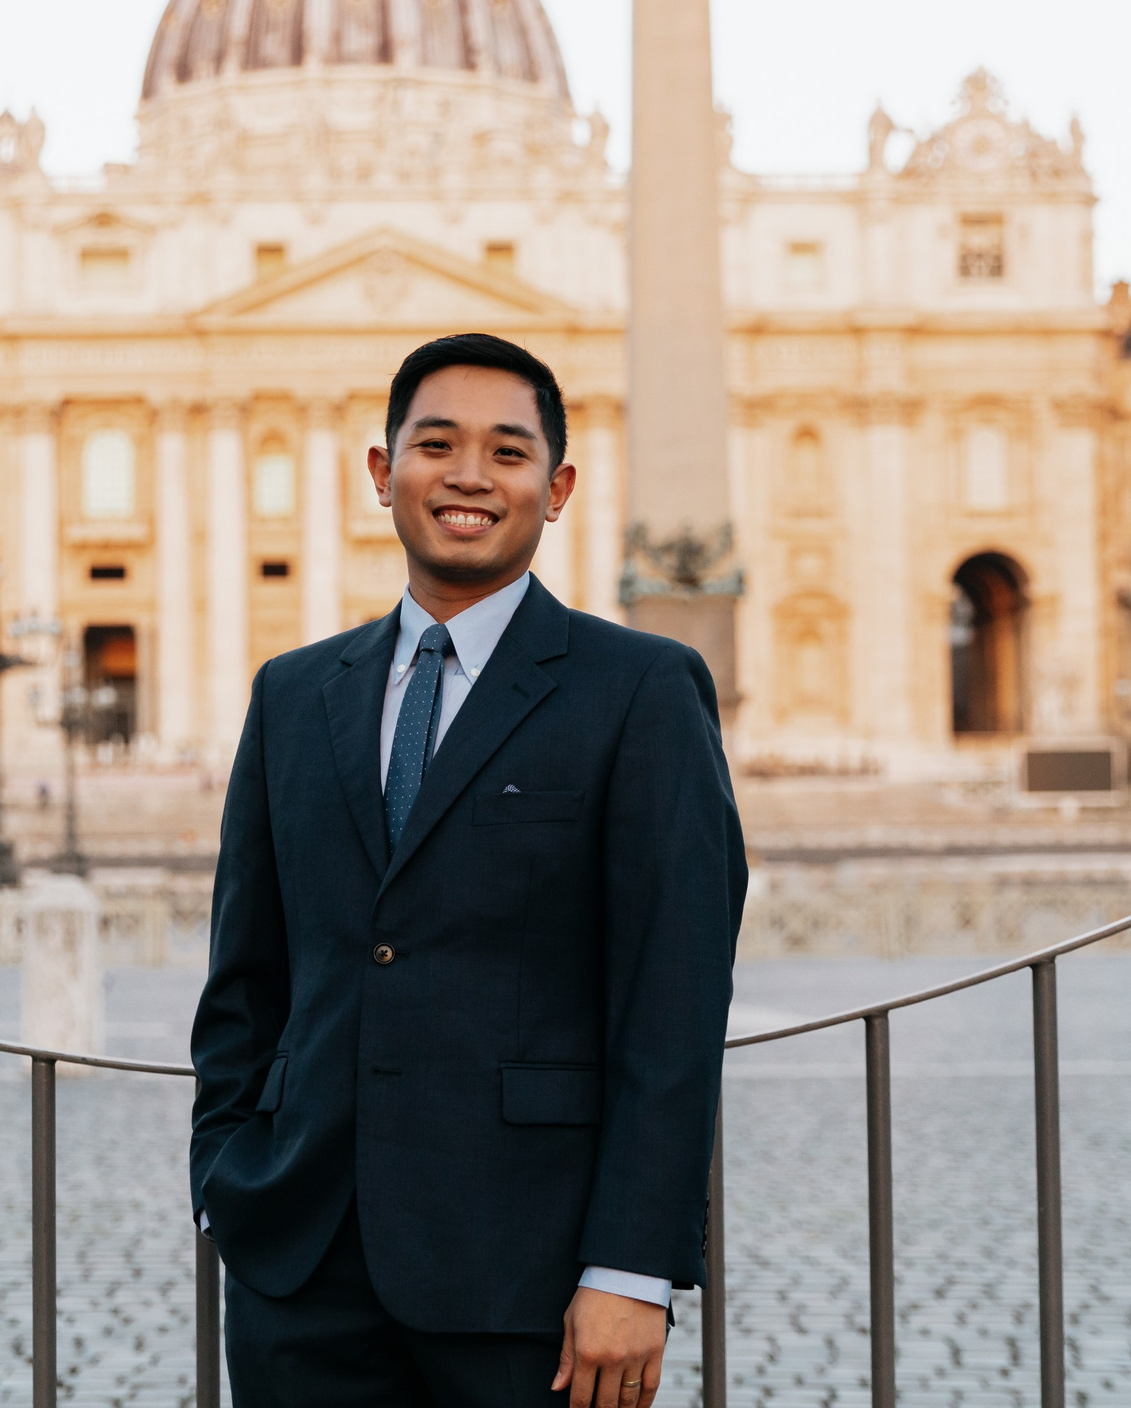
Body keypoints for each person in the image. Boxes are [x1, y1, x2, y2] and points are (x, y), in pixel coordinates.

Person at [191, 333, 746, 1407]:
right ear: (380, 472)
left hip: (531, 1272)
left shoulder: (640, 690)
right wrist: (228, 1179)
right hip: (302, 1268)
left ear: (557, 489)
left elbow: (670, 1004)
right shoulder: (293, 694)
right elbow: (245, 974)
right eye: (435, 444)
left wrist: (631, 1266)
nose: (468, 476)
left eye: (507, 451)